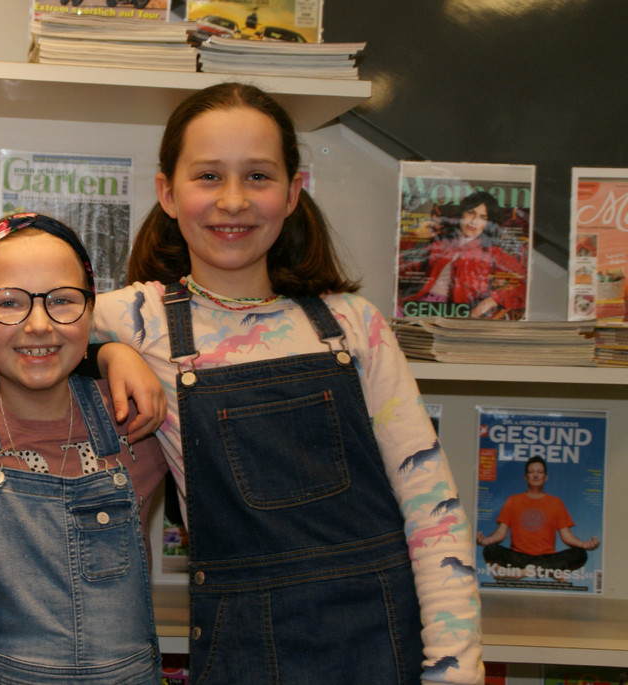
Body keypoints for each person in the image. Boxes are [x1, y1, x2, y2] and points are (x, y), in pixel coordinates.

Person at [90, 82, 484, 683]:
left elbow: (433, 511)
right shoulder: (137, 319)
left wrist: (455, 670)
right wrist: (108, 351)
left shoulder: (354, 325)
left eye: (258, 176)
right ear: (167, 194)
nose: (233, 201)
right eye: (208, 176)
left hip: (383, 642)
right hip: (240, 646)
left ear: (294, 192)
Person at [0, 213, 167, 683]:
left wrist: (114, 351)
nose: (38, 324)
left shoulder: (137, 414)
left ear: (90, 316)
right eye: (8, 303)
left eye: (62, 301)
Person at [397, 189, 528, 319]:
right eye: (471, 213)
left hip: (456, 315)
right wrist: (414, 236)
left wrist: (494, 300)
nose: (473, 221)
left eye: (483, 217)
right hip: (419, 307)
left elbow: (525, 283)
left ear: (488, 223)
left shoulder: (492, 253)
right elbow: (399, 271)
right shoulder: (441, 243)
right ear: (462, 214)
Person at [476, 456, 600, 580]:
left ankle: (520, 572)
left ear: (545, 477)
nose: (535, 475)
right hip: (518, 557)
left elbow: (566, 536)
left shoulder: (556, 502)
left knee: (580, 553)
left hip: (547, 557)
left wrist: (584, 545)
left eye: (540, 472)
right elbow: (501, 533)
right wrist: (486, 541)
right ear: (526, 477)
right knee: (490, 550)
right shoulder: (512, 501)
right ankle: (550, 571)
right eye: (531, 472)